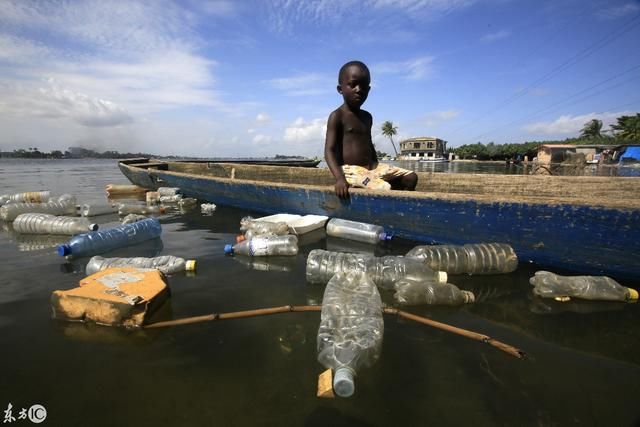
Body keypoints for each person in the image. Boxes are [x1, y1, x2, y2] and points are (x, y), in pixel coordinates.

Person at [324, 60, 418, 199]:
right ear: (340, 89)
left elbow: (368, 143)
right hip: (350, 172)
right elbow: (329, 150)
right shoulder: (337, 116)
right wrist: (339, 178)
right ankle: (388, 207)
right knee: (384, 188)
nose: (358, 90)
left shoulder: (367, 117)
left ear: (368, 89)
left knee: (411, 177)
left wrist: (377, 166)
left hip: (372, 168)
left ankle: (398, 205)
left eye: (363, 86)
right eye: (352, 84)